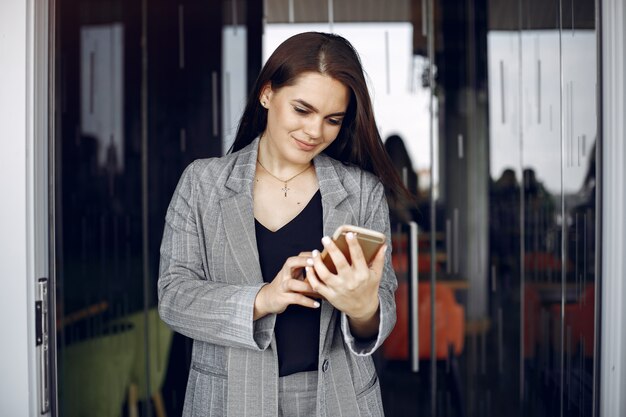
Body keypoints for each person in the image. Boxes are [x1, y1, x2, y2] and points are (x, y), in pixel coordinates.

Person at [158, 31, 406, 417]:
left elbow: (382, 309)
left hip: (340, 399)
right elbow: (173, 299)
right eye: (302, 110)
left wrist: (363, 309)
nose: (314, 131)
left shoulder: (362, 193)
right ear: (267, 94)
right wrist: (262, 300)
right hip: (230, 400)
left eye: (332, 120)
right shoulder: (202, 184)